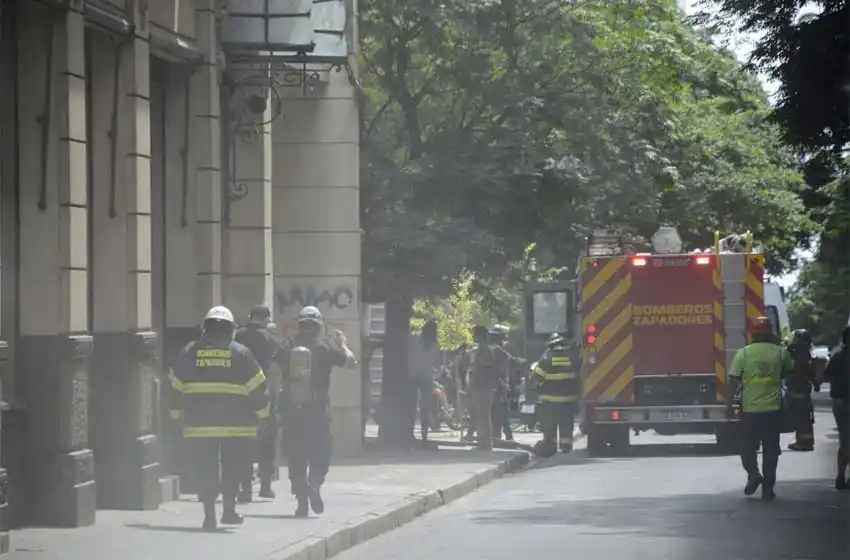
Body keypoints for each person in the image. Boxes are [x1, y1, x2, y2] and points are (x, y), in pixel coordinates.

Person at [168, 306, 270, 530]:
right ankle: (229, 510)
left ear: (205, 328)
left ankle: (209, 516)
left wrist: (176, 416)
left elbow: (174, 388)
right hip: (237, 427)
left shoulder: (188, 352)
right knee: (234, 468)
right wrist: (263, 416)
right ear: (230, 330)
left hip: (198, 426)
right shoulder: (241, 353)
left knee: (205, 470)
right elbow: (258, 389)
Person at [279, 305, 358, 517]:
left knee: (295, 455)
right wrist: (343, 344)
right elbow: (352, 363)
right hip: (318, 410)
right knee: (320, 452)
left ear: (300, 324)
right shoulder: (324, 348)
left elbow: (273, 364)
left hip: (292, 409)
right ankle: (314, 483)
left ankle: (301, 501)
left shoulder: (289, 345)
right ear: (318, 326)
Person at [728, 316, 794, 501]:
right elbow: (792, 372)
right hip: (773, 411)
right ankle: (768, 489)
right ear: (770, 332)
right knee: (771, 451)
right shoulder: (780, 352)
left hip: (750, 411)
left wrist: (730, 403)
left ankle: (753, 473)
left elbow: (733, 380)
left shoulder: (744, 353)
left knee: (747, 448)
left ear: (752, 333)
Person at [235, 305, 288, 502]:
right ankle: (265, 486)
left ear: (250, 317)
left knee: (244, 444)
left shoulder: (238, 337)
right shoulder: (273, 339)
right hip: (265, 397)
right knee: (267, 442)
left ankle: (246, 487)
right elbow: (278, 369)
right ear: (266, 319)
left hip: (240, 398)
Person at [529, 333, 581, 457]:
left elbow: (537, 377)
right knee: (566, 425)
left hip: (549, 401)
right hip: (569, 401)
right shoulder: (572, 357)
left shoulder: (547, 358)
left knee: (550, 425)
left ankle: (550, 447)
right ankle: (566, 447)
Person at [459, 326, 506, 450]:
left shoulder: (485, 350)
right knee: (480, 415)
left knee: (483, 416)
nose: (474, 337)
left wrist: (475, 378)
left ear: (481, 336)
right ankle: (483, 441)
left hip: (483, 387)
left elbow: (486, 368)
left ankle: (485, 443)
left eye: (475, 334)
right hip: (479, 387)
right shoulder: (479, 349)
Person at [823, 326, 850, 490]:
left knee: (845, 438)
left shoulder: (838, 356)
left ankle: (841, 475)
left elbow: (826, 376)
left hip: (840, 401)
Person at [488, 325, 524, 442]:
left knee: (496, 412)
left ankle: (498, 435)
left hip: (492, 386)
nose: (504, 340)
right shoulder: (497, 350)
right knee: (500, 412)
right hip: (497, 386)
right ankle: (501, 436)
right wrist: (522, 361)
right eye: (503, 338)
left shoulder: (488, 348)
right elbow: (511, 360)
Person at [785, 329, 818, 452]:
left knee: (799, 416)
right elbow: (813, 372)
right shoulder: (808, 352)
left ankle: (803, 443)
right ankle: (806, 442)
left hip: (796, 388)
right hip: (804, 389)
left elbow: (788, 367)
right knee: (805, 416)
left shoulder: (793, 350)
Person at [408, 319, 440, 444]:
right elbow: (437, 365)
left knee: (412, 405)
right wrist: (434, 375)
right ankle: (424, 435)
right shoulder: (434, 346)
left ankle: (410, 432)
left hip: (413, 376)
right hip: (426, 378)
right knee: (425, 407)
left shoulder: (415, 342)